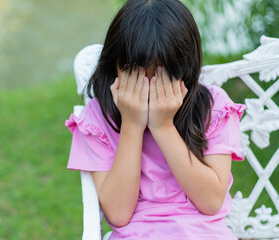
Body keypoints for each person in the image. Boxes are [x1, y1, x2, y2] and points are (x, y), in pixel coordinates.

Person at [65, 0, 246, 239]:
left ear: (185, 68)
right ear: (115, 66)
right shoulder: (97, 119)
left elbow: (211, 201)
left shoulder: (213, 107)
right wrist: (132, 123)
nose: (149, 87)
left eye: (162, 76)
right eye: (137, 74)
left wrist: (163, 126)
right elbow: (119, 214)